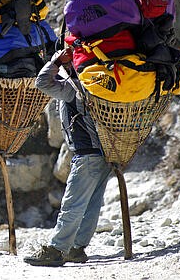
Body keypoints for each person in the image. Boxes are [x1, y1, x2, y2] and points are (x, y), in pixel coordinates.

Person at [23, 47, 111, 266]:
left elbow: (42, 82)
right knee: (91, 204)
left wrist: (54, 61)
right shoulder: (99, 84)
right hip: (104, 155)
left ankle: (57, 249)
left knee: (72, 204)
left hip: (86, 154)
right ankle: (77, 248)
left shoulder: (73, 87)